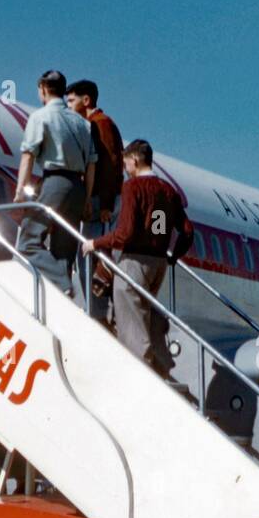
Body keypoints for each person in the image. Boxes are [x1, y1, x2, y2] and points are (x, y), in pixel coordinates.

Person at [83, 139, 194, 373]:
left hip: (135, 262)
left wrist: (95, 242)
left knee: (132, 330)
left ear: (134, 160)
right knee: (144, 319)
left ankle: (141, 376)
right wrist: (173, 257)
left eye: (125, 163)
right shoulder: (166, 191)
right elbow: (184, 231)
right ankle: (161, 367)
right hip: (158, 263)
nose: (124, 169)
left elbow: (125, 233)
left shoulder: (132, 188)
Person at [14, 71, 95, 295]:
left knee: (28, 242)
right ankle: (62, 291)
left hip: (55, 182)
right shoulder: (82, 123)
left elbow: (28, 155)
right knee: (64, 251)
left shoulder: (40, 117)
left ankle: (62, 284)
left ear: (43, 88)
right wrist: (87, 198)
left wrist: (20, 191)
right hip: (77, 187)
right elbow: (91, 165)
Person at [65, 79, 123, 312]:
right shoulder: (92, 124)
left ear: (86, 100)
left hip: (101, 202)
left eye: (71, 101)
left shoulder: (101, 125)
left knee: (90, 258)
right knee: (87, 257)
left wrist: (106, 204)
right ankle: (95, 308)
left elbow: (111, 164)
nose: (68, 106)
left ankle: (96, 312)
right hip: (97, 200)